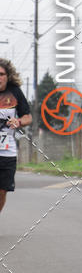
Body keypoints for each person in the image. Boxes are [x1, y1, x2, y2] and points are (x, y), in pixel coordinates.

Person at [0, 59, 32, 214]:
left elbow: (28, 117)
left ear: (7, 76)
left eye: (1, 74)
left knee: (2, 191)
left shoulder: (15, 92)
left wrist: (18, 121)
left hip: (7, 151)